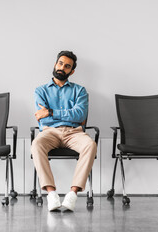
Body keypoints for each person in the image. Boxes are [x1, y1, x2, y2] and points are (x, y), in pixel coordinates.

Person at [31, 50, 97, 211]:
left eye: (67, 66)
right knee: (37, 144)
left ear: (71, 71)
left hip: (74, 133)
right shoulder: (41, 91)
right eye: (60, 63)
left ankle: (73, 194)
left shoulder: (80, 91)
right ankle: (51, 193)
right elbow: (43, 118)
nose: (62, 68)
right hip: (49, 132)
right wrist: (68, 115)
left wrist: (51, 112)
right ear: (55, 64)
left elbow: (80, 115)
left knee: (90, 145)